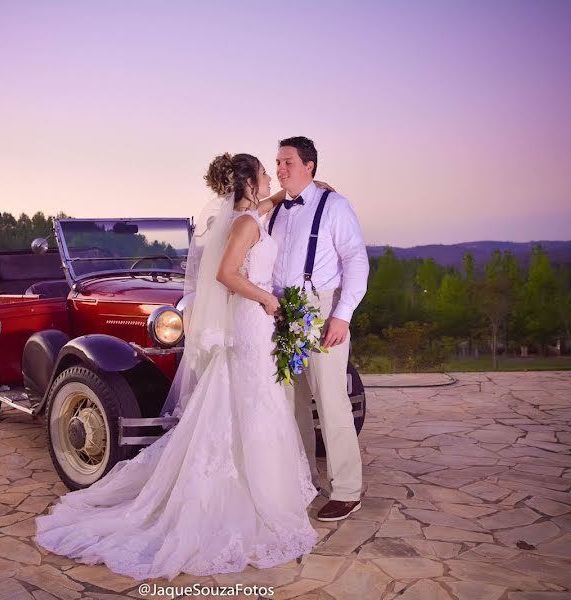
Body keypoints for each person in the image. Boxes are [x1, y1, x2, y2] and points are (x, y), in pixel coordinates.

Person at [35, 153, 322, 581]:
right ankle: (242, 497)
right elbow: (226, 274)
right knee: (250, 400)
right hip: (251, 318)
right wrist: (266, 298)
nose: (269, 178)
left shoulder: (250, 217)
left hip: (257, 324)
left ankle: (262, 486)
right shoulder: (244, 225)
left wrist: (310, 189)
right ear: (246, 183)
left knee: (252, 401)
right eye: (264, 173)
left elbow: (268, 205)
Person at [269, 136, 369, 522]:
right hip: (279, 313)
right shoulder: (275, 211)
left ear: (309, 165)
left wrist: (342, 315)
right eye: (277, 162)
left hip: (321, 310)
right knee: (290, 404)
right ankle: (305, 478)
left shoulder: (335, 206)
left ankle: (346, 491)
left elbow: (356, 261)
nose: (280, 168)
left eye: (288, 162)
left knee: (331, 402)